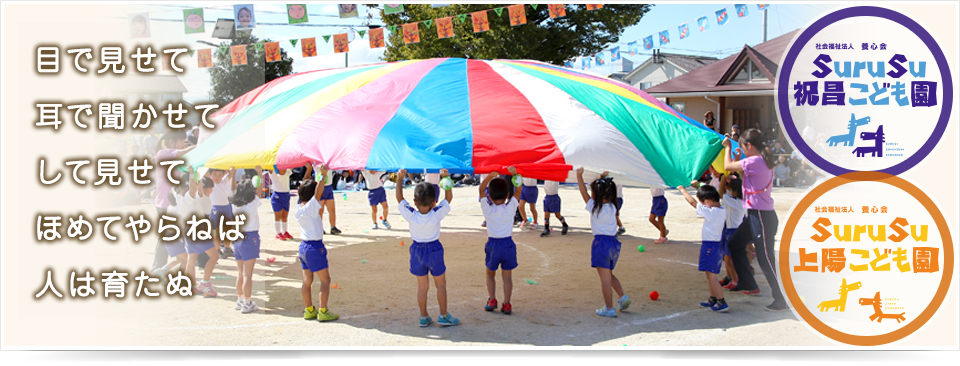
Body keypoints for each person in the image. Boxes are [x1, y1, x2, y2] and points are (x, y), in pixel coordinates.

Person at [722, 129, 788, 311]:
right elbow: (745, 180)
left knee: (766, 257)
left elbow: (727, 167)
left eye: (743, 147)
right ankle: (748, 283)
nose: (742, 150)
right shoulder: (759, 161)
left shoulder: (755, 161)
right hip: (755, 214)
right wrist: (738, 160)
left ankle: (782, 298)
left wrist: (728, 148)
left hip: (761, 215)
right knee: (735, 244)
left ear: (749, 146)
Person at [395, 168, 460, 327]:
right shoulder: (436, 213)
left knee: (422, 286)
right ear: (434, 202)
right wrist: (446, 178)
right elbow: (449, 198)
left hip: (417, 250)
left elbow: (399, 198)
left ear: (415, 202)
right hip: (434, 250)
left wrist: (399, 178)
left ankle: (423, 316)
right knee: (441, 284)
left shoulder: (411, 214)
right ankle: (443, 315)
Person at [576, 168, 631, 317]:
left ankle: (609, 308)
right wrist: (603, 178)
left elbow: (583, 193)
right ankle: (622, 297)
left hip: (601, 244)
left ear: (596, 194)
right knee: (609, 274)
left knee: (604, 278)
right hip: (614, 244)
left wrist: (579, 176)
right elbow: (600, 191)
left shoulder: (594, 207)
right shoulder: (613, 206)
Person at [295, 164, 340, 322]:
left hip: (303, 247)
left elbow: (308, 188)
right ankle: (323, 310)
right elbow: (319, 190)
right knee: (325, 280)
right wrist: (322, 175)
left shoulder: (298, 207)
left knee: (307, 281)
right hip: (315, 247)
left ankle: (309, 310)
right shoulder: (312, 206)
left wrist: (311, 175)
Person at [678, 183, 729, 312]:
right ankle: (713, 298)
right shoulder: (721, 209)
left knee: (712, 277)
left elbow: (693, 203)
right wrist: (698, 187)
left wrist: (683, 190)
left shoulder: (711, 212)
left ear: (707, 202)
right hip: (715, 246)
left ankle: (721, 302)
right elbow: (703, 200)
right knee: (709, 274)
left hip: (710, 247)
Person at [478, 168, 523, 314]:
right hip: (507, 244)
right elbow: (519, 190)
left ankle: (492, 299)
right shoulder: (510, 207)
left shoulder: (487, 208)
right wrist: (515, 175)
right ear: (507, 195)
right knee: (507, 276)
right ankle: (507, 303)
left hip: (493, 244)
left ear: (489, 196)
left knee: (490, 273)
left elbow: (481, 189)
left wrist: (489, 176)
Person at [152, 130, 195, 270]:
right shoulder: (163, 153)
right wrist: (200, 145)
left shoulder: (176, 158)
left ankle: (162, 269)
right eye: (181, 141)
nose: (183, 144)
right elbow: (184, 152)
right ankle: (158, 268)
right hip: (164, 203)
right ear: (171, 142)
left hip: (172, 203)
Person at [181, 167, 219, 298]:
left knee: (192, 259)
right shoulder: (191, 197)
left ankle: (191, 286)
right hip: (198, 229)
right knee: (214, 256)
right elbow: (194, 188)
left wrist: (197, 174)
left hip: (190, 228)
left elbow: (197, 187)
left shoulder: (180, 198)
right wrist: (192, 173)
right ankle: (205, 283)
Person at [231, 171, 263, 313]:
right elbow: (260, 189)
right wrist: (259, 174)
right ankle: (247, 302)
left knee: (240, 272)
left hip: (237, 238)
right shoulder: (252, 203)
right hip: (250, 238)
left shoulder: (234, 205)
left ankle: (240, 299)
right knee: (248, 274)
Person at [719, 174, 746, 291]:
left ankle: (735, 280)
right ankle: (732, 278)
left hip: (732, 231)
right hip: (731, 230)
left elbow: (720, 194)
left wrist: (723, 179)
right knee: (728, 258)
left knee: (729, 259)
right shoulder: (738, 200)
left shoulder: (736, 202)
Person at [207, 168, 237, 258]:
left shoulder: (223, 182)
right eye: (215, 174)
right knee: (217, 231)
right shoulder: (210, 184)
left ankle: (227, 248)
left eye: (220, 175)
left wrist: (229, 169)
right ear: (210, 174)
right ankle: (217, 249)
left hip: (226, 207)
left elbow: (230, 174)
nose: (217, 177)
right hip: (215, 208)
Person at [315, 165, 342, 235]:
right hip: (320, 186)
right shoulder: (316, 161)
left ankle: (333, 227)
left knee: (332, 209)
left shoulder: (329, 161)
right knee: (320, 210)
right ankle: (319, 227)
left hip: (328, 187)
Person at [268, 168, 294, 240]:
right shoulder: (274, 174)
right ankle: (278, 233)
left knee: (285, 216)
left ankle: (285, 231)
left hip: (286, 195)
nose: (284, 170)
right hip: (277, 196)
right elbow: (269, 168)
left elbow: (291, 166)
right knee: (278, 216)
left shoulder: (287, 172)